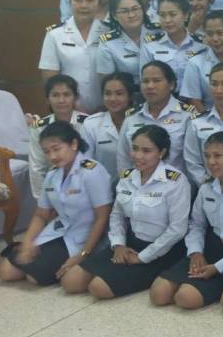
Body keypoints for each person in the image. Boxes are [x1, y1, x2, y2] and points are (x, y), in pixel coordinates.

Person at [60, 125, 190, 298]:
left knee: (99, 288)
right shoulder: (128, 177)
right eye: (135, 149)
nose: (138, 156)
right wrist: (118, 244)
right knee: (71, 282)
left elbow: (177, 229)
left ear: (162, 152)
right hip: (130, 243)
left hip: (162, 250)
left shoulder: (175, 181)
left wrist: (143, 257)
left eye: (146, 151)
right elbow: (117, 215)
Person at [149, 132, 223, 309]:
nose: (211, 162)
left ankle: (216, 286)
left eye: (218, 156)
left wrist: (218, 267)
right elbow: (196, 224)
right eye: (207, 156)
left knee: (186, 298)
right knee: (159, 293)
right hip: (210, 248)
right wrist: (196, 252)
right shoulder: (207, 185)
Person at [0, 122, 112, 287]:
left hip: (85, 238)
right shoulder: (53, 174)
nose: (52, 156)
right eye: (46, 151)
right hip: (58, 232)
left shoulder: (92, 171)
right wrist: (28, 241)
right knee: (5, 271)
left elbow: (102, 217)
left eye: (56, 149)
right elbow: (41, 214)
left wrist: (83, 254)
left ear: (74, 144)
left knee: (33, 278)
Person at [41, 0, 110, 114]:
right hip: (68, 110)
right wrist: (72, 105)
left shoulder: (109, 32)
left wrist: (106, 106)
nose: (84, 5)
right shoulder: (55, 34)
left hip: (106, 109)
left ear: (98, 3)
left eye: (90, 0)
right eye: (78, 0)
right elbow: (50, 77)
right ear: (70, 2)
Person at [118, 61, 197, 176]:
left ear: (171, 85)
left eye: (156, 80)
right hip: (138, 183)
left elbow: (193, 161)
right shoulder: (132, 117)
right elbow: (123, 159)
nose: (150, 86)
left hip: (176, 184)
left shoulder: (187, 115)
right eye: (145, 81)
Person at [183, 63, 223, 185]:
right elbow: (192, 162)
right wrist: (208, 186)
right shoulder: (196, 122)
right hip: (207, 187)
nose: (219, 90)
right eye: (214, 84)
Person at [28, 75, 89, 197]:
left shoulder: (88, 123)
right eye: (55, 95)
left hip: (86, 186)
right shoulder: (39, 127)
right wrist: (41, 199)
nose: (61, 100)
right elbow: (37, 168)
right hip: (53, 188)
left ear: (75, 98)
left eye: (66, 95)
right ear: (47, 100)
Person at [139, 0, 206, 90]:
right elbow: (145, 81)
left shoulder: (201, 44)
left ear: (186, 15)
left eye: (172, 14)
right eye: (162, 15)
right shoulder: (150, 45)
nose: (167, 20)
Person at [81, 72, 136, 180]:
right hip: (102, 185)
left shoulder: (142, 121)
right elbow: (85, 161)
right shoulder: (91, 124)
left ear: (130, 96)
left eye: (119, 94)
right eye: (107, 93)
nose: (112, 99)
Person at [97, 0, 154, 89]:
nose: (131, 15)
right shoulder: (108, 43)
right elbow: (107, 83)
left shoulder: (158, 33)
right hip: (128, 94)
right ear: (114, 15)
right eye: (124, 11)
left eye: (135, 9)